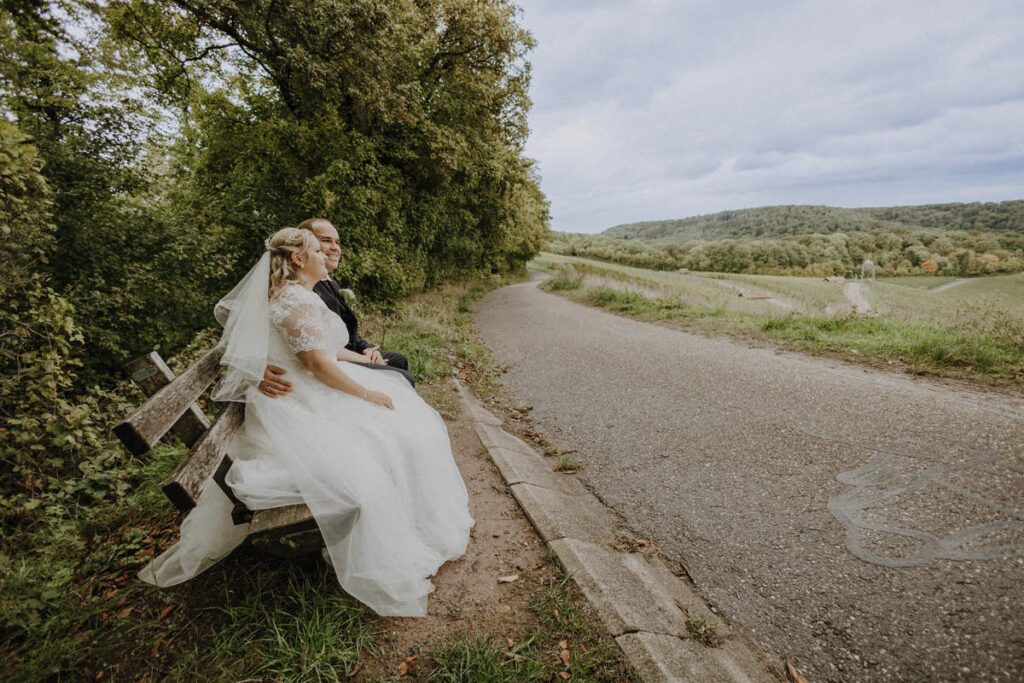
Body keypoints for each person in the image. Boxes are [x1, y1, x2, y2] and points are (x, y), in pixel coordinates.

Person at [138, 228, 474, 617]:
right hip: (299, 404)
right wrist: (366, 394)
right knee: (396, 432)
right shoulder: (293, 301)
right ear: (299, 259)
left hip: (308, 391)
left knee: (408, 421)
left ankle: (411, 522)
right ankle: (396, 537)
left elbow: (327, 351)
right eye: (317, 249)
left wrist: (366, 362)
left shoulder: (300, 296)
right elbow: (315, 365)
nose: (324, 254)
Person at [258, 217, 413, 398]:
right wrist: (255, 369)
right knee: (400, 380)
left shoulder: (315, 287)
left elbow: (328, 341)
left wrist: (367, 350)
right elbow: (315, 362)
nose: (330, 251)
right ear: (298, 257)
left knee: (398, 367)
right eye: (322, 245)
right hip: (308, 380)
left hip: (332, 358)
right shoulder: (296, 297)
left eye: (337, 242)